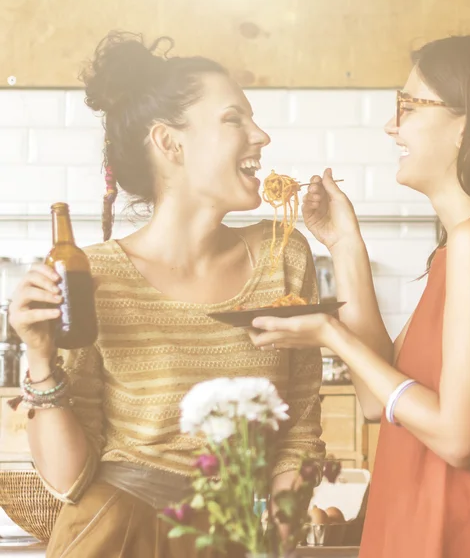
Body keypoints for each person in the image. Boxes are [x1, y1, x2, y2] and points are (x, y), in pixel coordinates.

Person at [8, 32, 325, 558]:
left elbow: (301, 429)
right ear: (170, 143)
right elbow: (68, 480)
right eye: (234, 119)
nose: (261, 135)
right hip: (116, 535)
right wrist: (40, 357)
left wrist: (276, 537)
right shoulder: (96, 276)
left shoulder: (283, 255)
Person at [249, 35, 470, 558]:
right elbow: (381, 402)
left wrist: (331, 334)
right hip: (426, 531)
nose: (391, 125)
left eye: (409, 106)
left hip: (468, 538)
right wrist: (345, 244)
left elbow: (458, 438)